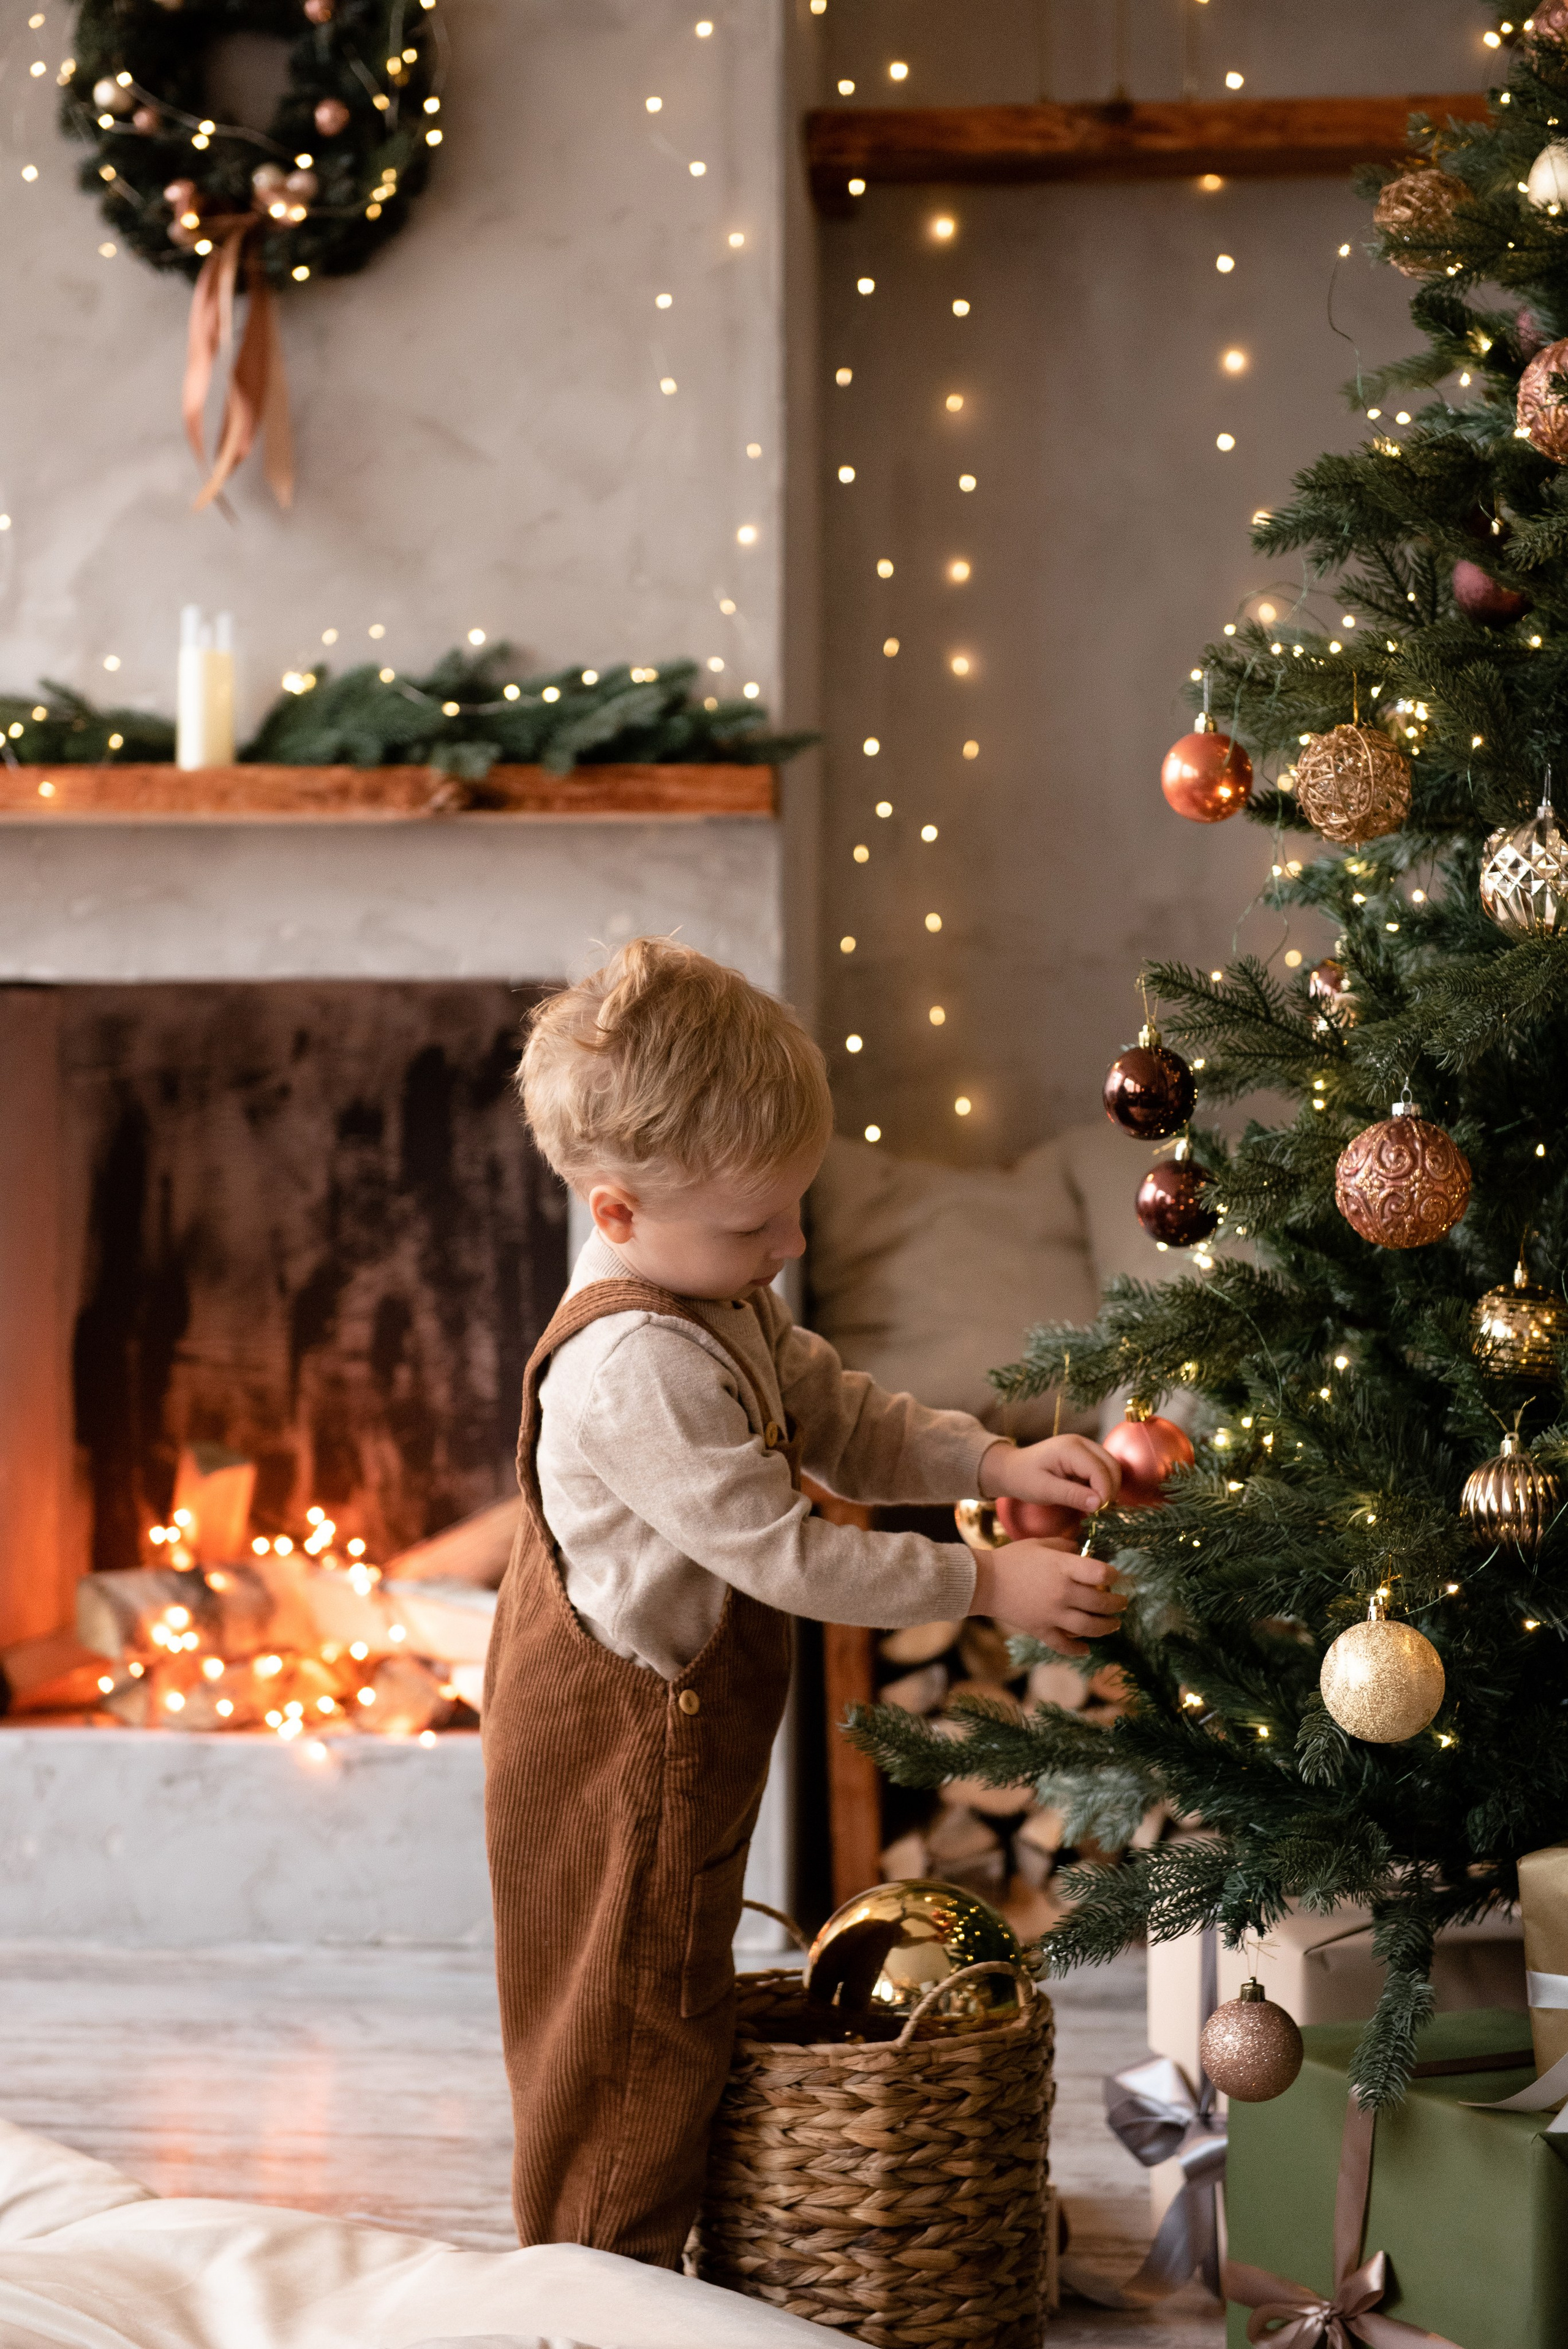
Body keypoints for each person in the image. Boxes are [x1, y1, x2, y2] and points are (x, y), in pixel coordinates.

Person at [484, 937, 1123, 2269]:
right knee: (624, 2023)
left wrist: (990, 1463)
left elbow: (843, 1418)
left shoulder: (723, 1296)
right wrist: (984, 1578)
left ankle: (651, 2254)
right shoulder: (633, 1365)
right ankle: (597, 2282)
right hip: (618, 1750)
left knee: (680, 1990)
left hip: (686, 1733)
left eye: (794, 1209)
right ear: (615, 1213)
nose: (790, 1246)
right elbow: (786, 1556)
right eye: (753, 1227)